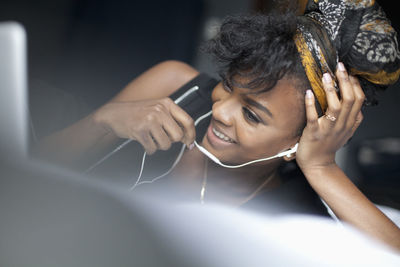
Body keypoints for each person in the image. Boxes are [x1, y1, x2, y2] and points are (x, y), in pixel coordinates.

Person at [34, 0, 400, 251]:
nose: (222, 111)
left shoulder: (298, 211)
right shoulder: (172, 86)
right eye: (227, 85)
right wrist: (105, 121)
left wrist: (321, 166)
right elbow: (27, 169)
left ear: (298, 140)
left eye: (253, 115)